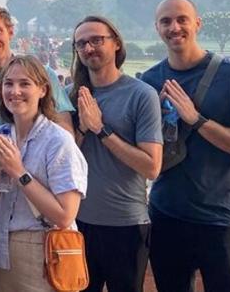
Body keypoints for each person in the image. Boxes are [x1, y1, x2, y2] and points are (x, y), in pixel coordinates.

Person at [140, 0, 230, 292]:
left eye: (182, 19)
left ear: (197, 24)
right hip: (167, 214)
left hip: (221, 218)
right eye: (166, 21)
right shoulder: (150, 81)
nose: (174, 27)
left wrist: (196, 119)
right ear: (157, 28)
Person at [0, 3, 75, 238]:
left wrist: (8, 107)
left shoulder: (43, 75)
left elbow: (66, 133)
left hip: (40, 204)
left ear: (10, 31)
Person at [69, 16, 163, 292]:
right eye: (81, 43)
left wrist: (101, 130)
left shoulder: (141, 95)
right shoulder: (70, 96)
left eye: (97, 40)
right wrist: (83, 128)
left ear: (116, 43)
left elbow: (151, 166)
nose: (89, 48)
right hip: (78, 222)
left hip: (126, 225)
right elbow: (62, 159)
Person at [0, 55, 87, 292]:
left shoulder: (58, 141)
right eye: (8, 83)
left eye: (24, 83)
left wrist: (19, 172)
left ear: (42, 90)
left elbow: (64, 216)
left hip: (43, 253)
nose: (15, 91)